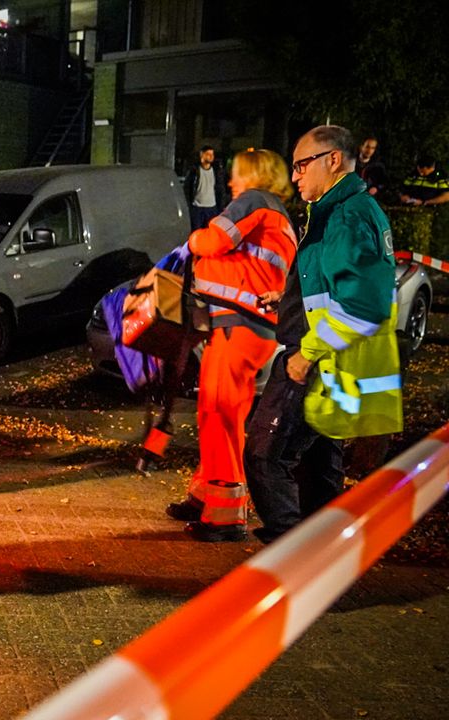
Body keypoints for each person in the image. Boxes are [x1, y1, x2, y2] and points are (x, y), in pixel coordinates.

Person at [245, 125, 402, 545]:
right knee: (316, 464)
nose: (295, 176)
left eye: (301, 165)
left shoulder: (345, 215)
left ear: (332, 160)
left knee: (266, 453)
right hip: (332, 358)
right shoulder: (340, 209)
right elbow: (336, 282)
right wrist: (289, 297)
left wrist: (307, 353)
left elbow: (363, 304)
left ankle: (290, 551)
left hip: (316, 356)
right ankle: (324, 550)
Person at [164, 149, 297, 542]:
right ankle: (204, 496)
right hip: (252, 328)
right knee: (218, 412)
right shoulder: (281, 219)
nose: (231, 182)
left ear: (255, 176)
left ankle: (225, 517)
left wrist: (194, 238)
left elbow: (213, 240)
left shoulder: (254, 201)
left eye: (238, 174)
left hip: (238, 326)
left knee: (220, 413)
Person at [184, 145, 230, 231]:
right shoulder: (194, 171)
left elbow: (220, 189)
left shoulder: (216, 171)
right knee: (197, 233)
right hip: (197, 208)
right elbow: (187, 188)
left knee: (210, 232)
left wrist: (221, 205)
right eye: (208, 154)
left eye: (212, 154)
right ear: (202, 155)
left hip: (212, 208)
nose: (211, 156)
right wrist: (189, 205)